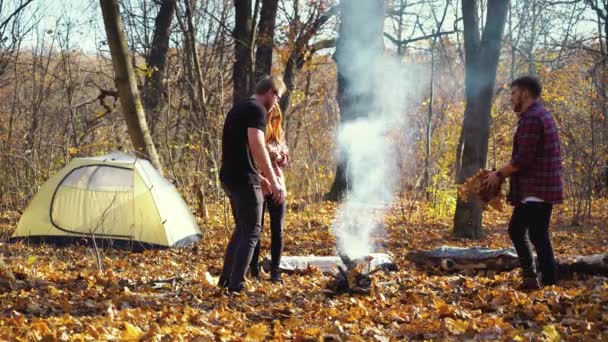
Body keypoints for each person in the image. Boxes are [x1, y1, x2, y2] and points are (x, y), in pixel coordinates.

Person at [484, 76, 563, 290]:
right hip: (537, 187)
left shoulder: (532, 118)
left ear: (525, 93)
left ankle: (546, 282)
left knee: (529, 232)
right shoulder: (538, 115)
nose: (511, 98)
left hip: (536, 188)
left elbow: (523, 159)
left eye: (513, 93)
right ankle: (537, 279)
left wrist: (498, 175)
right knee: (526, 231)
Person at [218, 76, 287, 293]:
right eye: (277, 98)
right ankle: (236, 285)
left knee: (242, 230)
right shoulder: (257, 110)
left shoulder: (239, 108)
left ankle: (225, 280)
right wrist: (275, 181)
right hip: (242, 178)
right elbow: (257, 146)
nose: (276, 104)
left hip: (230, 176)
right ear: (270, 92)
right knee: (252, 230)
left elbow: (242, 151)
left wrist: (261, 178)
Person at [249, 103, 289, 283]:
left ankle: (275, 271)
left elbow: (286, 158)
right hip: (258, 183)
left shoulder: (279, 135)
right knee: (256, 227)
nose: (272, 121)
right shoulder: (255, 131)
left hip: (278, 185)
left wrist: (278, 156)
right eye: (270, 118)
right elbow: (250, 156)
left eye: (275, 118)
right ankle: (254, 269)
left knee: (277, 229)